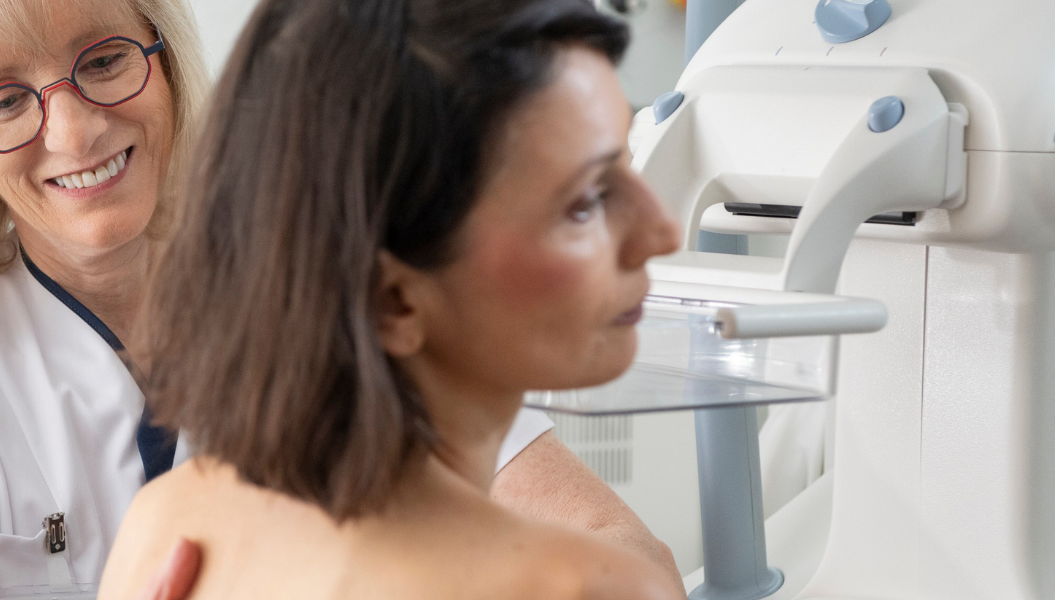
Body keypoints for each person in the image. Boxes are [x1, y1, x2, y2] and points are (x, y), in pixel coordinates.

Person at [0, 0, 678, 598]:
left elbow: (612, 545)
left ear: (165, 62)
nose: (73, 130)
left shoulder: (311, 282)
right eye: (5, 101)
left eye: (107, 59)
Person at [95, 0, 686, 597]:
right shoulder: (580, 587)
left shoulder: (163, 527)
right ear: (394, 300)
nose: (662, 232)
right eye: (584, 203)